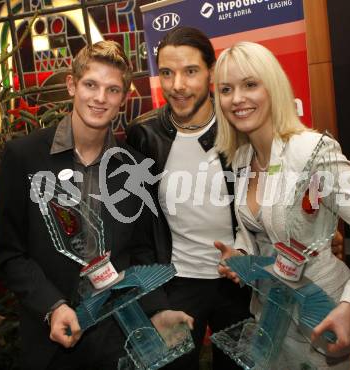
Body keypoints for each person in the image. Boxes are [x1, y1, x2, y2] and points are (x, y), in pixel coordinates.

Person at [0, 40, 192, 370]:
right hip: (52, 340)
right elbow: (9, 253)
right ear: (72, 85)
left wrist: (157, 308)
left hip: (118, 338)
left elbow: (141, 253)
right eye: (90, 85)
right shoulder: (23, 157)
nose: (100, 98)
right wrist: (52, 305)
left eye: (112, 90)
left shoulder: (135, 167)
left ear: (123, 99)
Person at [213, 41, 350, 369]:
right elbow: (259, 230)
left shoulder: (312, 151)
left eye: (250, 85)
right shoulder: (242, 158)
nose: (237, 98)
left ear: (273, 88)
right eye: (226, 89)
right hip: (272, 319)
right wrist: (242, 257)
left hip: (322, 321)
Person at [126, 27, 252, 370]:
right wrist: (154, 300)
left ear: (211, 71)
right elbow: (138, 229)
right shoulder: (144, 134)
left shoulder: (239, 125)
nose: (177, 85)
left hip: (240, 282)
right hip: (177, 283)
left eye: (190, 71)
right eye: (167, 73)